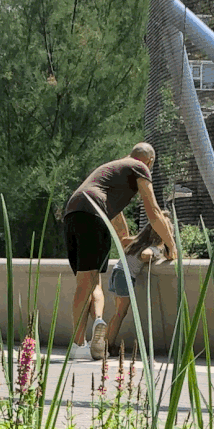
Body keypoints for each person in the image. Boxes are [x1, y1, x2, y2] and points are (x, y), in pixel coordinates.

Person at [62, 143, 176, 353]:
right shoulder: (139, 167)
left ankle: (96, 324)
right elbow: (155, 213)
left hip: (72, 212)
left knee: (89, 279)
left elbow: (117, 220)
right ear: (149, 162)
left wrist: (126, 240)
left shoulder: (112, 170)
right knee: (87, 281)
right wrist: (171, 245)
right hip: (94, 214)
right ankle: (78, 345)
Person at [92, 214, 163, 360]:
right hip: (125, 276)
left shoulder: (138, 241)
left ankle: (107, 343)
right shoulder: (151, 247)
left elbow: (124, 241)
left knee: (119, 313)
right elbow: (145, 255)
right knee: (120, 314)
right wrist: (157, 252)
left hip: (118, 272)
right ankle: (107, 345)